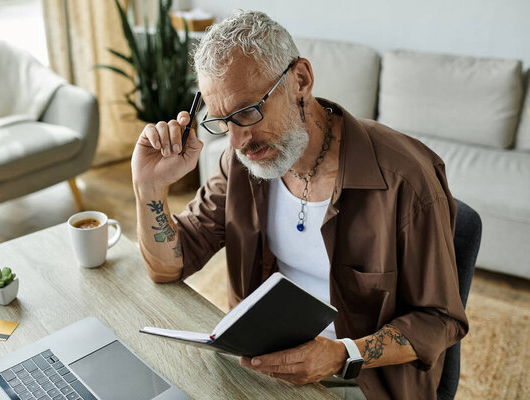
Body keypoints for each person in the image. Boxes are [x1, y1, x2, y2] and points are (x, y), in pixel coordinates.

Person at [131, 10, 468, 400]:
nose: (238, 141)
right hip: (260, 363)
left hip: (363, 376)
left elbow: (440, 319)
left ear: (300, 80)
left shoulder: (405, 180)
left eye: (247, 112)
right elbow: (168, 266)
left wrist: (342, 354)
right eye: (223, 121)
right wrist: (149, 187)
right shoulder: (241, 165)